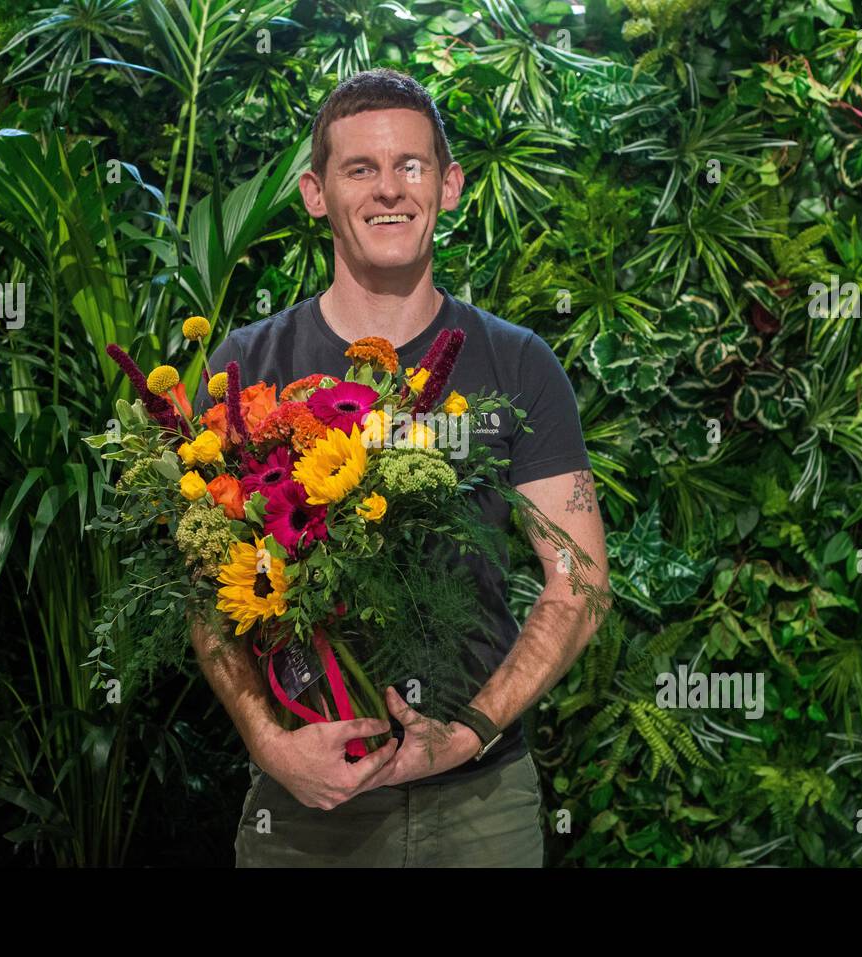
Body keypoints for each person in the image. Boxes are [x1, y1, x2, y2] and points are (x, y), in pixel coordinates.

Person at [190, 67, 610, 867]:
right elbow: (207, 603)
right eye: (360, 169)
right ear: (315, 192)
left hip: (481, 802)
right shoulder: (247, 366)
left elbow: (579, 581)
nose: (390, 190)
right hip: (307, 808)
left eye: (411, 166)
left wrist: (469, 732)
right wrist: (271, 746)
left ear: (448, 186)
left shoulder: (518, 364)